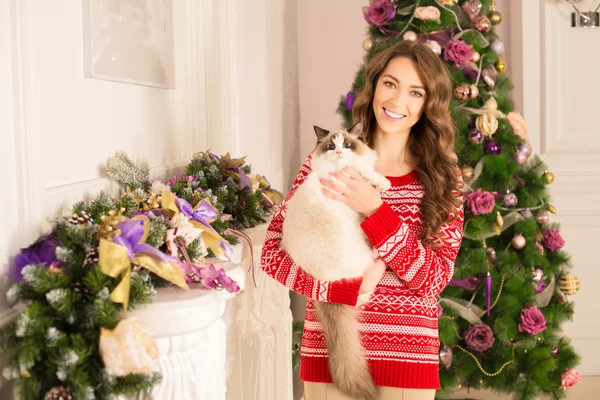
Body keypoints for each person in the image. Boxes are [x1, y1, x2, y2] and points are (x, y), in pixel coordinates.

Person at [261, 40, 464, 400]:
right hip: (331, 353)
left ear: (428, 104)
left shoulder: (444, 178)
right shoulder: (324, 162)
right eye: (390, 83)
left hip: (406, 357)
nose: (397, 100)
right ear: (374, 87)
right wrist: (344, 290)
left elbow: (434, 278)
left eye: (415, 92)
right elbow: (272, 255)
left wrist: (376, 210)